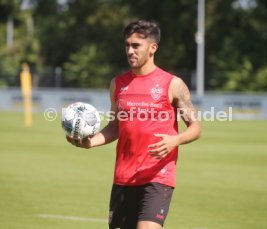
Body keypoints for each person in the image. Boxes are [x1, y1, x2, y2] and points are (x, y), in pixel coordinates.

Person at [67, 19, 201, 229]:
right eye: (127, 45)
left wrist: (175, 140)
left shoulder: (172, 84)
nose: (130, 50)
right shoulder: (117, 84)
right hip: (123, 177)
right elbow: (115, 127)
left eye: (136, 45)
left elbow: (195, 128)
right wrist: (90, 142)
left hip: (158, 176)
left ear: (152, 48)